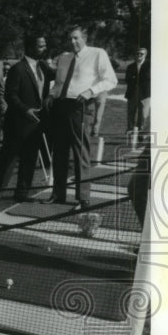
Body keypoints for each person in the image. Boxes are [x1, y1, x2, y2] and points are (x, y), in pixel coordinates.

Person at [45, 25, 117, 207]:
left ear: (84, 37)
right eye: (70, 38)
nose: (72, 42)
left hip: (81, 106)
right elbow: (59, 83)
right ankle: (58, 194)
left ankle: (83, 197)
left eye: (76, 38)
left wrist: (91, 91)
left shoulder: (97, 53)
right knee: (59, 152)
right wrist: (51, 94)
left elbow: (111, 80)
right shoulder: (64, 57)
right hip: (61, 106)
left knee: (80, 152)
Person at [0, 34, 54, 201]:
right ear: (31, 47)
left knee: (30, 159)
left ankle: (22, 194)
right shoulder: (17, 69)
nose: (44, 48)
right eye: (41, 46)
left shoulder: (44, 68)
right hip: (17, 123)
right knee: (8, 159)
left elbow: (59, 76)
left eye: (44, 45)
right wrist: (26, 111)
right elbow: (10, 96)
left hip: (36, 124)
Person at [124, 47, 150, 133]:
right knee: (131, 111)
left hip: (145, 92)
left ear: (145, 55)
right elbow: (127, 79)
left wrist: (135, 77)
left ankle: (141, 129)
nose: (139, 55)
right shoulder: (130, 66)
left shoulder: (150, 65)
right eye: (137, 54)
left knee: (143, 112)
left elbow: (148, 78)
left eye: (141, 54)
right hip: (132, 92)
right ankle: (130, 128)